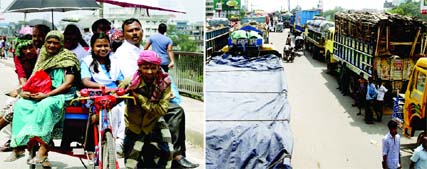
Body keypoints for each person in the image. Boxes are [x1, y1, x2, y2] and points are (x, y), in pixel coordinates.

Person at [116, 18, 197, 168]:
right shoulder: (124, 52)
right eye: (130, 31)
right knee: (175, 111)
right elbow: (134, 79)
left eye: (137, 30)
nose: (134, 33)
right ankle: (177, 155)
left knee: (175, 109)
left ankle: (176, 154)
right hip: (137, 96)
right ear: (124, 33)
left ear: (142, 31)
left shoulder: (142, 50)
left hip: (152, 93)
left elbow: (156, 74)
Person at [7, 30, 80, 168]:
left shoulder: (68, 58)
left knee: (45, 105)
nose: (52, 45)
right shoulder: (42, 58)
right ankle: (21, 144)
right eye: (49, 42)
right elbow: (34, 80)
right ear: (45, 43)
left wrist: (46, 95)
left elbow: (68, 83)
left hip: (62, 94)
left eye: (56, 43)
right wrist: (25, 92)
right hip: (42, 93)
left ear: (61, 44)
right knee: (22, 105)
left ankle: (44, 148)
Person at [120, 50, 173, 168]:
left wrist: (140, 98)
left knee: (167, 152)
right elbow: (118, 96)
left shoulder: (165, 83)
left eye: (153, 68)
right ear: (140, 67)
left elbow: (162, 109)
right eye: (146, 68)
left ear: (158, 68)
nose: (150, 72)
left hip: (154, 121)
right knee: (131, 161)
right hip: (134, 124)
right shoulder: (130, 82)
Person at [80, 32, 125, 156]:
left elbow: (121, 80)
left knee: (126, 110)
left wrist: (121, 87)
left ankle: (119, 141)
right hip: (96, 96)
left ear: (110, 46)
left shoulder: (115, 61)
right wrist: (103, 87)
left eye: (106, 45)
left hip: (115, 96)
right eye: (99, 46)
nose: (103, 49)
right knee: (106, 113)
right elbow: (85, 81)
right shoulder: (86, 61)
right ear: (92, 47)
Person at [0, 27, 37, 152]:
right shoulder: (18, 57)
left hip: (41, 86)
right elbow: (21, 75)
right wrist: (23, 88)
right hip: (25, 85)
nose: (28, 51)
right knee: (7, 105)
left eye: (30, 47)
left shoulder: (41, 55)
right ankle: (10, 138)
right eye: (24, 49)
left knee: (15, 106)